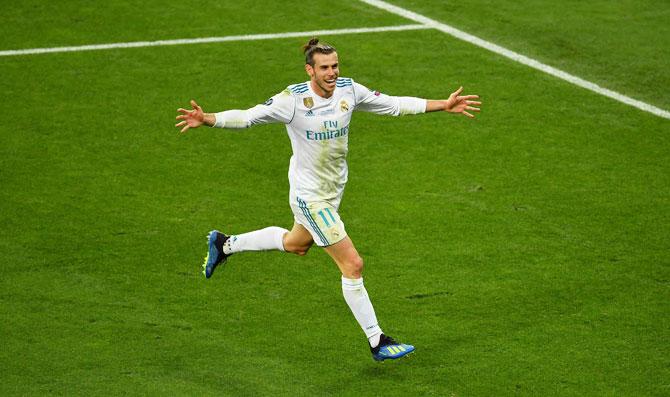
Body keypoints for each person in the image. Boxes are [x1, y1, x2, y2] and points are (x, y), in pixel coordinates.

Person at [175, 38, 481, 361]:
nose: (332, 72)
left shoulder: (349, 91)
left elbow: (392, 104)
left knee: (296, 244)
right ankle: (377, 340)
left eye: (335, 65)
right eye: (324, 68)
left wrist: (441, 105)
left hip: (333, 191)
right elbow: (250, 116)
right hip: (310, 197)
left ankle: (224, 244)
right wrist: (209, 118)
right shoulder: (292, 100)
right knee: (353, 264)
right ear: (310, 70)